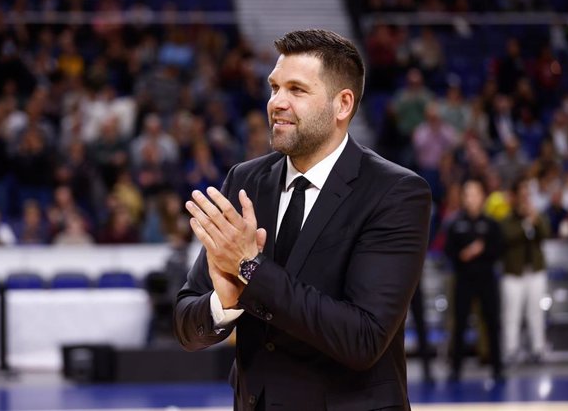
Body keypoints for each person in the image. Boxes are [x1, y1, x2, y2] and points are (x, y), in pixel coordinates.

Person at [174, 29, 432, 410]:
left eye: (296, 90)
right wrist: (222, 305)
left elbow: (363, 340)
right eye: (274, 87)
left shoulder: (395, 192)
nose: (277, 102)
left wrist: (251, 269)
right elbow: (185, 324)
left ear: (342, 104)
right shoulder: (244, 180)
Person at [444, 179, 504, 382]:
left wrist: (482, 251)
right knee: (459, 323)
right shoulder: (456, 224)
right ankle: (456, 368)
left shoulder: (491, 224)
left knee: (492, 322)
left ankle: (497, 367)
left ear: (482, 197)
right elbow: (449, 252)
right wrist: (466, 254)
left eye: (475, 194)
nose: (470, 198)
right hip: (464, 279)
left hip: (486, 278)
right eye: (467, 194)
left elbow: (497, 251)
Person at [501, 177, 550, 364]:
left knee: (536, 312)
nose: (524, 197)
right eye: (521, 193)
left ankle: (538, 349)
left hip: (535, 270)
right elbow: (507, 236)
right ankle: (511, 350)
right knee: (512, 312)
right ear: (514, 196)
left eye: (527, 194)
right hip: (514, 272)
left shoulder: (537, 216)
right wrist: (525, 224)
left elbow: (545, 234)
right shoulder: (508, 219)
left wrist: (535, 220)